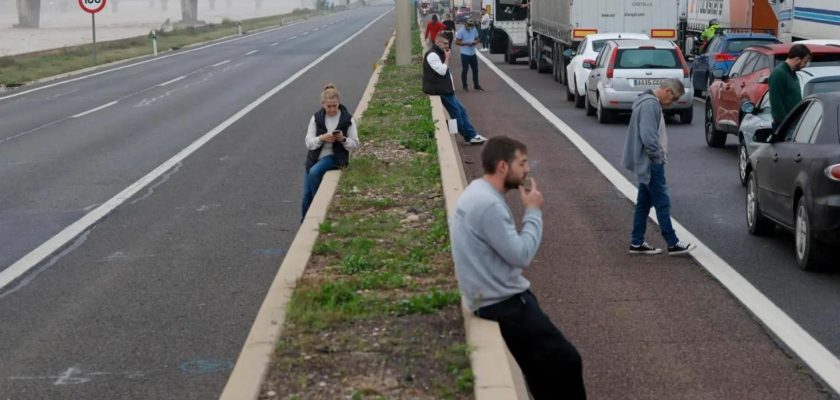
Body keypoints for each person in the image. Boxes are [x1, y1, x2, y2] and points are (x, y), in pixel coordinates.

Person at [449, 136, 587, 400]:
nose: (527, 170)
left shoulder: (477, 191)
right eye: (522, 163)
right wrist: (533, 211)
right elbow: (521, 255)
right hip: (505, 303)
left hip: (483, 297)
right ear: (503, 167)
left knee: (540, 371)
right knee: (567, 361)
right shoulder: (489, 204)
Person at [621, 79, 695, 256]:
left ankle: (637, 242)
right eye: (674, 98)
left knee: (644, 204)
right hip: (650, 163)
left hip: (645, 161)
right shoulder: (650, 105)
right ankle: (673, 242)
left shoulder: (644, 101)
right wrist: (658, 157)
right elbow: (648, 137)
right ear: (668, 91)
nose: (673, 102)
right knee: (662, 202)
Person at [301, 83, 359, 220]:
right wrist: (322, 138)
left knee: (315, 172)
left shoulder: (347, 119)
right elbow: (309, 143)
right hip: (314, 156)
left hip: (334, 156)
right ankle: (304, 223)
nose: (332, 109)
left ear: (339, 103)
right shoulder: (316, 118)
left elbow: (355, 144)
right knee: (305, 196)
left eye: (335, 105)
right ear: (323, 104)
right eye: (329, 106)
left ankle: (319, 207)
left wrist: (343, 139)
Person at [422, 35, 488, 144]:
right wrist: (447, 58)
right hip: (440, 91)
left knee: (462, 110)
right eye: (445, 44)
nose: (448, 46)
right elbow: (442, 71)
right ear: (438, 42)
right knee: (456, 114)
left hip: (446, 90)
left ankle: (472, 134)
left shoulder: (438, 53)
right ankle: (468, 136)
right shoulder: (432, 55)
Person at [769, 44, 812, 130]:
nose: (805, 65)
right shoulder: (778, 73)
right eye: (805, 62)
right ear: (797, 59)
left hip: (794, 123)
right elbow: (776, 103)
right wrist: (786, 124)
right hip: (784, 126)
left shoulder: (792, 73)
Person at [456, 19, 484, 91]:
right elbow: (457, 42)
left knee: (475, 70)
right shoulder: (461, 31)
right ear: (465, 24)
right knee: (465, 70)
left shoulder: (473, 29)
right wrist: (465, 43)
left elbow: (478, 39)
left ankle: (476, 85)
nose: (470, 27)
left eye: (471, 26)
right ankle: (464, 85)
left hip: (473, 53)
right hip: (464, 53)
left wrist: (475, 42)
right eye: (469, 25)